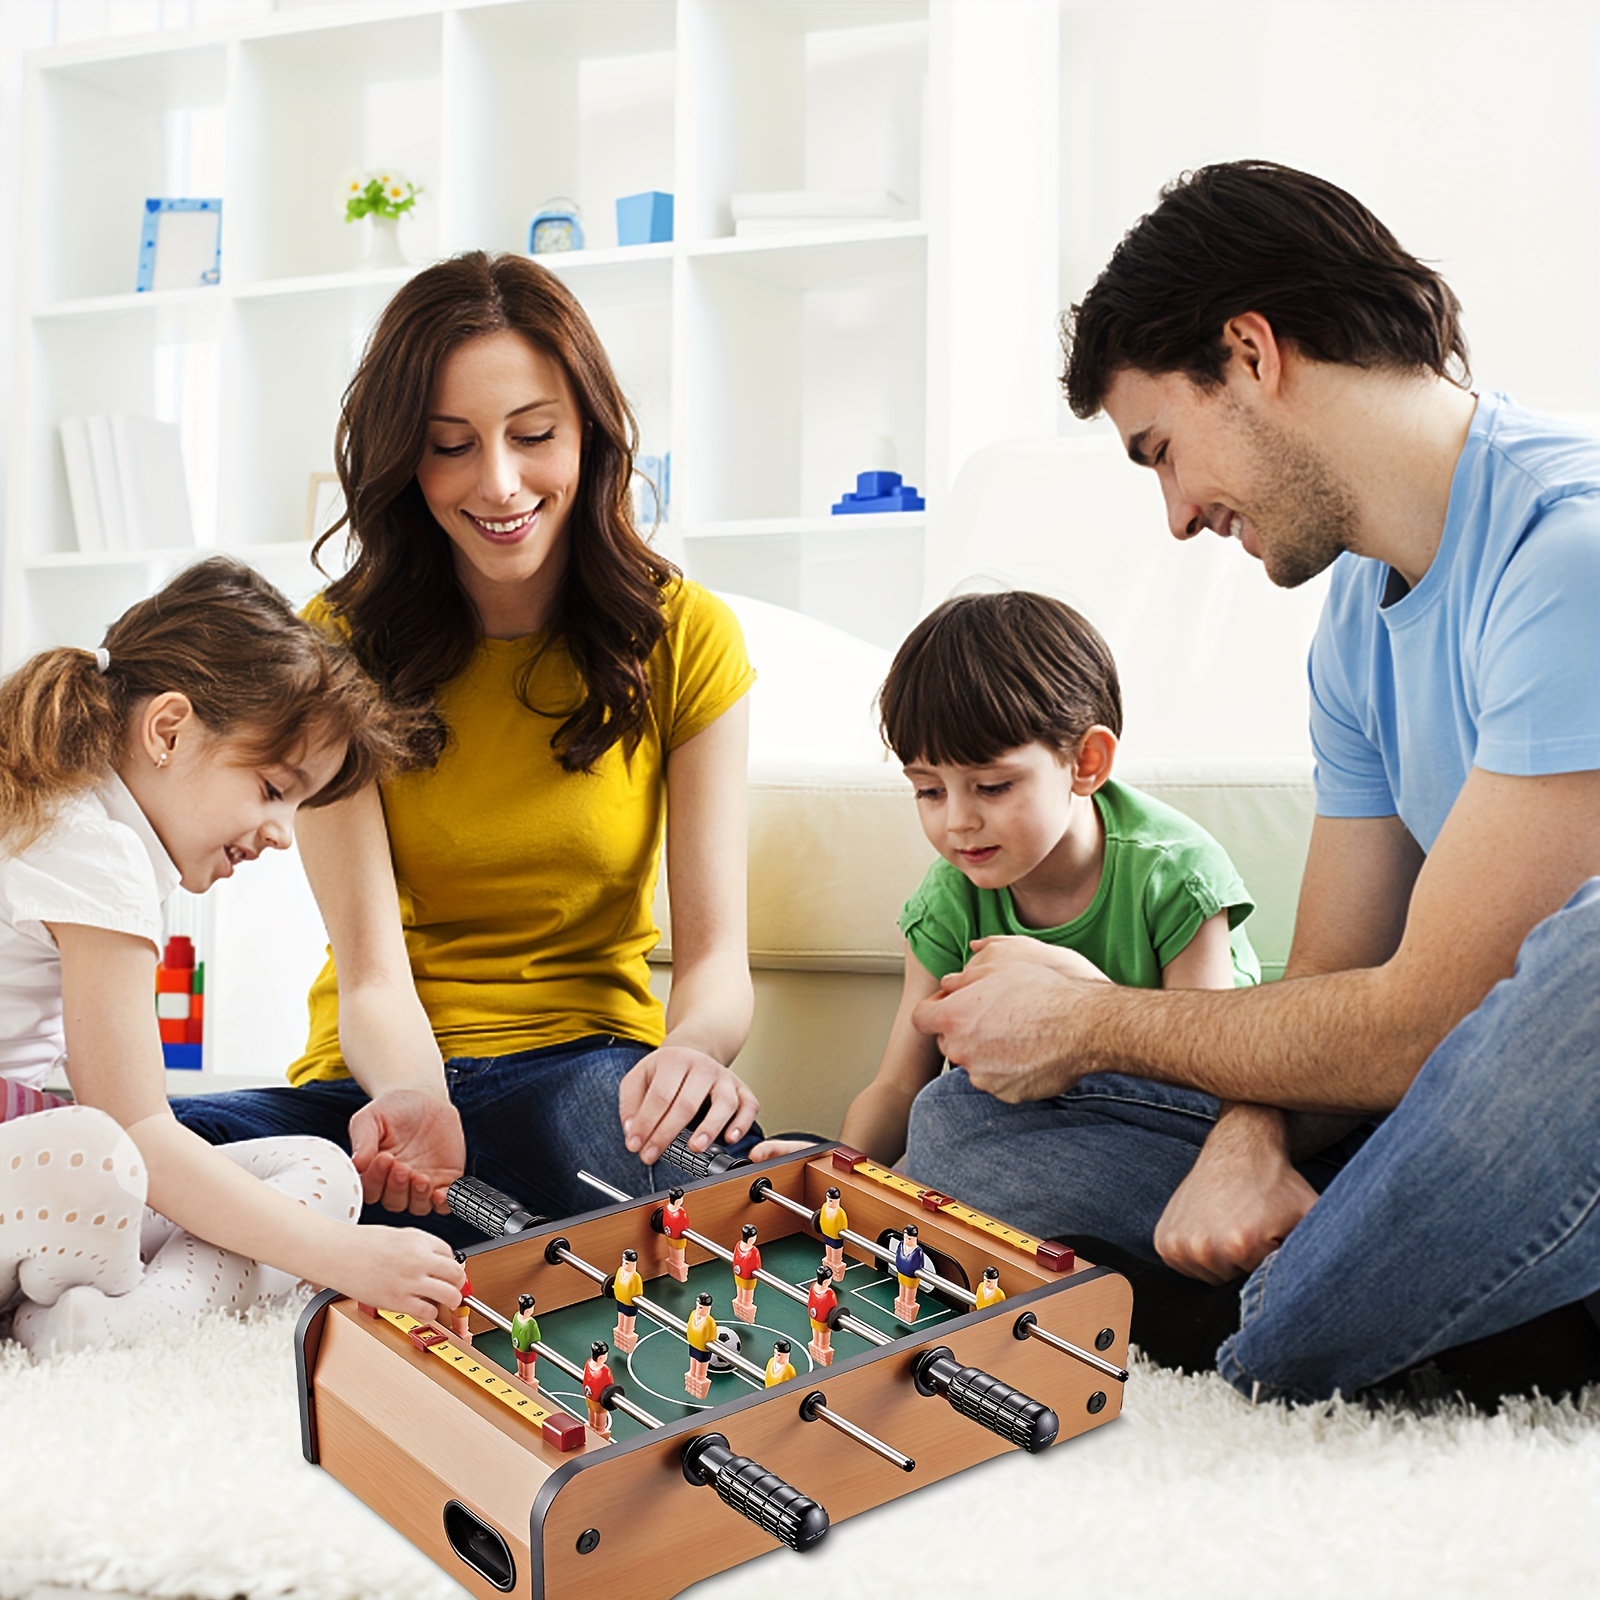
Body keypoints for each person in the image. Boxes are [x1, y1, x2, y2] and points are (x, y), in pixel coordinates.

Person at [907, 160, 1600, 1404]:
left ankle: (1301, 1320)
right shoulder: (1354, 615)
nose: (1174, 515)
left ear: (1249, 353)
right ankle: (1424, 1305)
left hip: (1555, 1080)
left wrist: (1089, 1021)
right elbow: (1339, 981)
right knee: (967, 1127)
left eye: (1162, 450)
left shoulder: (1571, 552)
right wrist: (1247, 1136)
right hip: (1456, 1115)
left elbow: (1424, 1021)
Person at [174, 253, 763, 1234]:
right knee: (131, 1153)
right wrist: (413, 1099)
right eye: (450, 445)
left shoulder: (684, 635)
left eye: (534, 435)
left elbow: (715, 960)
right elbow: (370, 973)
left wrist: (694, 1052)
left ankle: (419, 1226)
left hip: (588, 1072)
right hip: (380, 1084)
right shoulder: (334, 646)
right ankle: (433, 1215)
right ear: (406, 458)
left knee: (678, 1183)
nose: (498, 483)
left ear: (590, 433)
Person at [0, 558, 464, 1353]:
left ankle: (90, 1318)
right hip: (57, 1160)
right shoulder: (95, 850)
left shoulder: (82, 822)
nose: (283, 833)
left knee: (319, 1169)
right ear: (168, 729)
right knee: (105, 1155)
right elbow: (137, 1126)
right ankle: (94, 1319)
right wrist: (345, 1258)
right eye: (274, 789)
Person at [756, 590, 1258, 1169]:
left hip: (1180, 1138)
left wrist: (1081, 998)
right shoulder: (948, 898)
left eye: (992, 787)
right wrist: (838, 1175)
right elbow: (898, 1087)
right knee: (943, 1110)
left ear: (1086, 763)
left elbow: (1206, 1074)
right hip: (1033, 1135)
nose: (958, 821)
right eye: (928, 790)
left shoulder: (1174, 873)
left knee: (953, 1113)